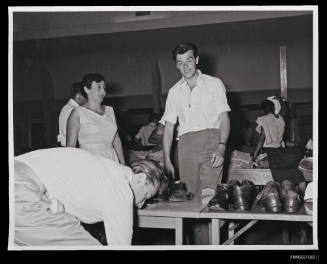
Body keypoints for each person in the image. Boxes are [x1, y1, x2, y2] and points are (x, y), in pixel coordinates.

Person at [13, 147, 166, 246]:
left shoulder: (108, 170)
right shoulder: (121, 190)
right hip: (22, 191)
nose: (141, 205)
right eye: (146, 195)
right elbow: (120, 246)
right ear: (140, 179)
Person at [163, 42, 231, 195]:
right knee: (191, 197)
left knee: (210, 196)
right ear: (176, 65)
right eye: (180, 63)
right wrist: (167, 158)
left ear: (197, 60)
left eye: (189, 60)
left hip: (212, 142)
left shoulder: (214, 84)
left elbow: (224, 117)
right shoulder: (173, 92)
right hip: (185, 146)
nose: (185, 66)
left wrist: (222, 146)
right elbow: (168, 128)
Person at [66, 73, 125, 164]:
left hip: (111, 159)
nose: (103, 92)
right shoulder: (77, 113)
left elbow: (116, 140)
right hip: (90, 160)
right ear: (86, 89)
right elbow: (70, 147)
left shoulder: (110, 111)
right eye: (98, 87)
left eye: (104, 88)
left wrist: (123, 164)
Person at [58, 82, 86, 146]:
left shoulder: (68, 108)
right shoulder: (72, 110)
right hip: (73, 149)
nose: (87, 100)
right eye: (86, 97)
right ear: (78, 96)